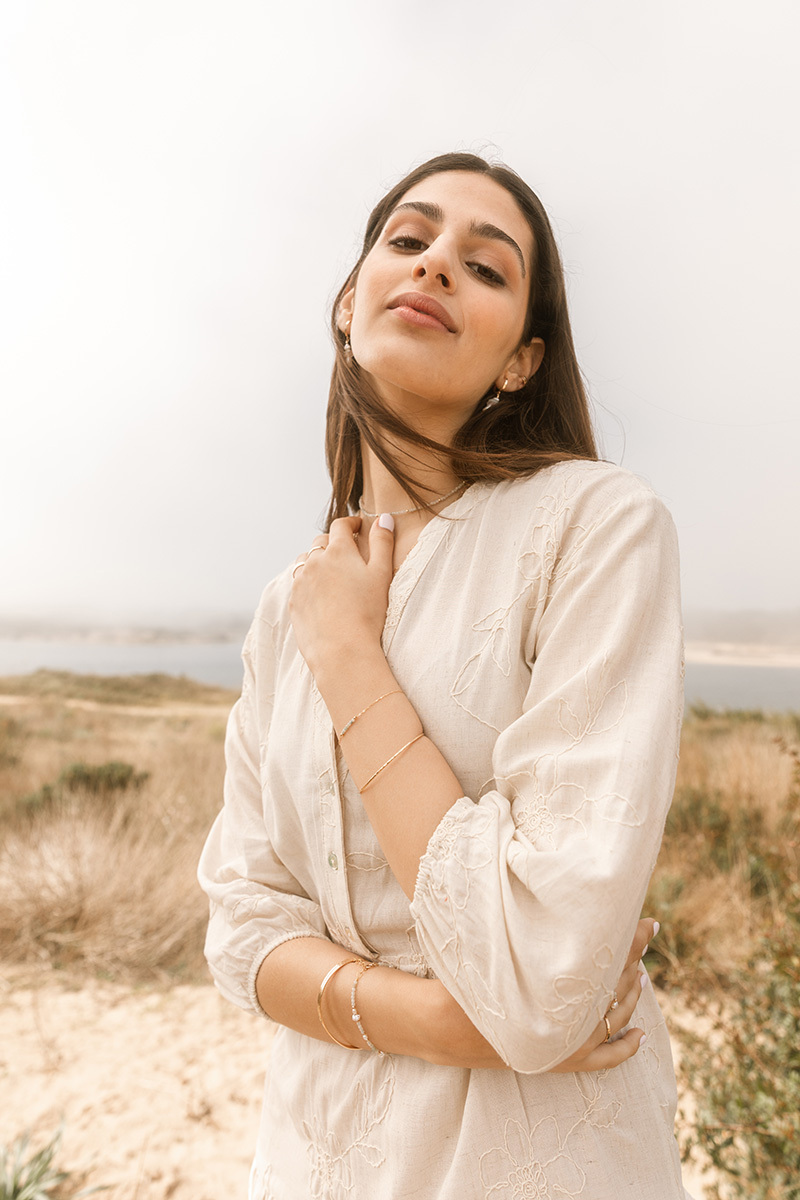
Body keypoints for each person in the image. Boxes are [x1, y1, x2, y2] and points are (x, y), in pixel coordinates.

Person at [198, 151, 690, 1199]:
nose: (433, 270)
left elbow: (539, 969)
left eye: (485, 266)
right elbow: (240, 927)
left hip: (529, 1164)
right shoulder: (295, 602)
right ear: (348, 301)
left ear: (520, 361)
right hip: (311, 1156)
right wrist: (442, 1024)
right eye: (408, 241)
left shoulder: (592, 526)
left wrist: (349, 658)